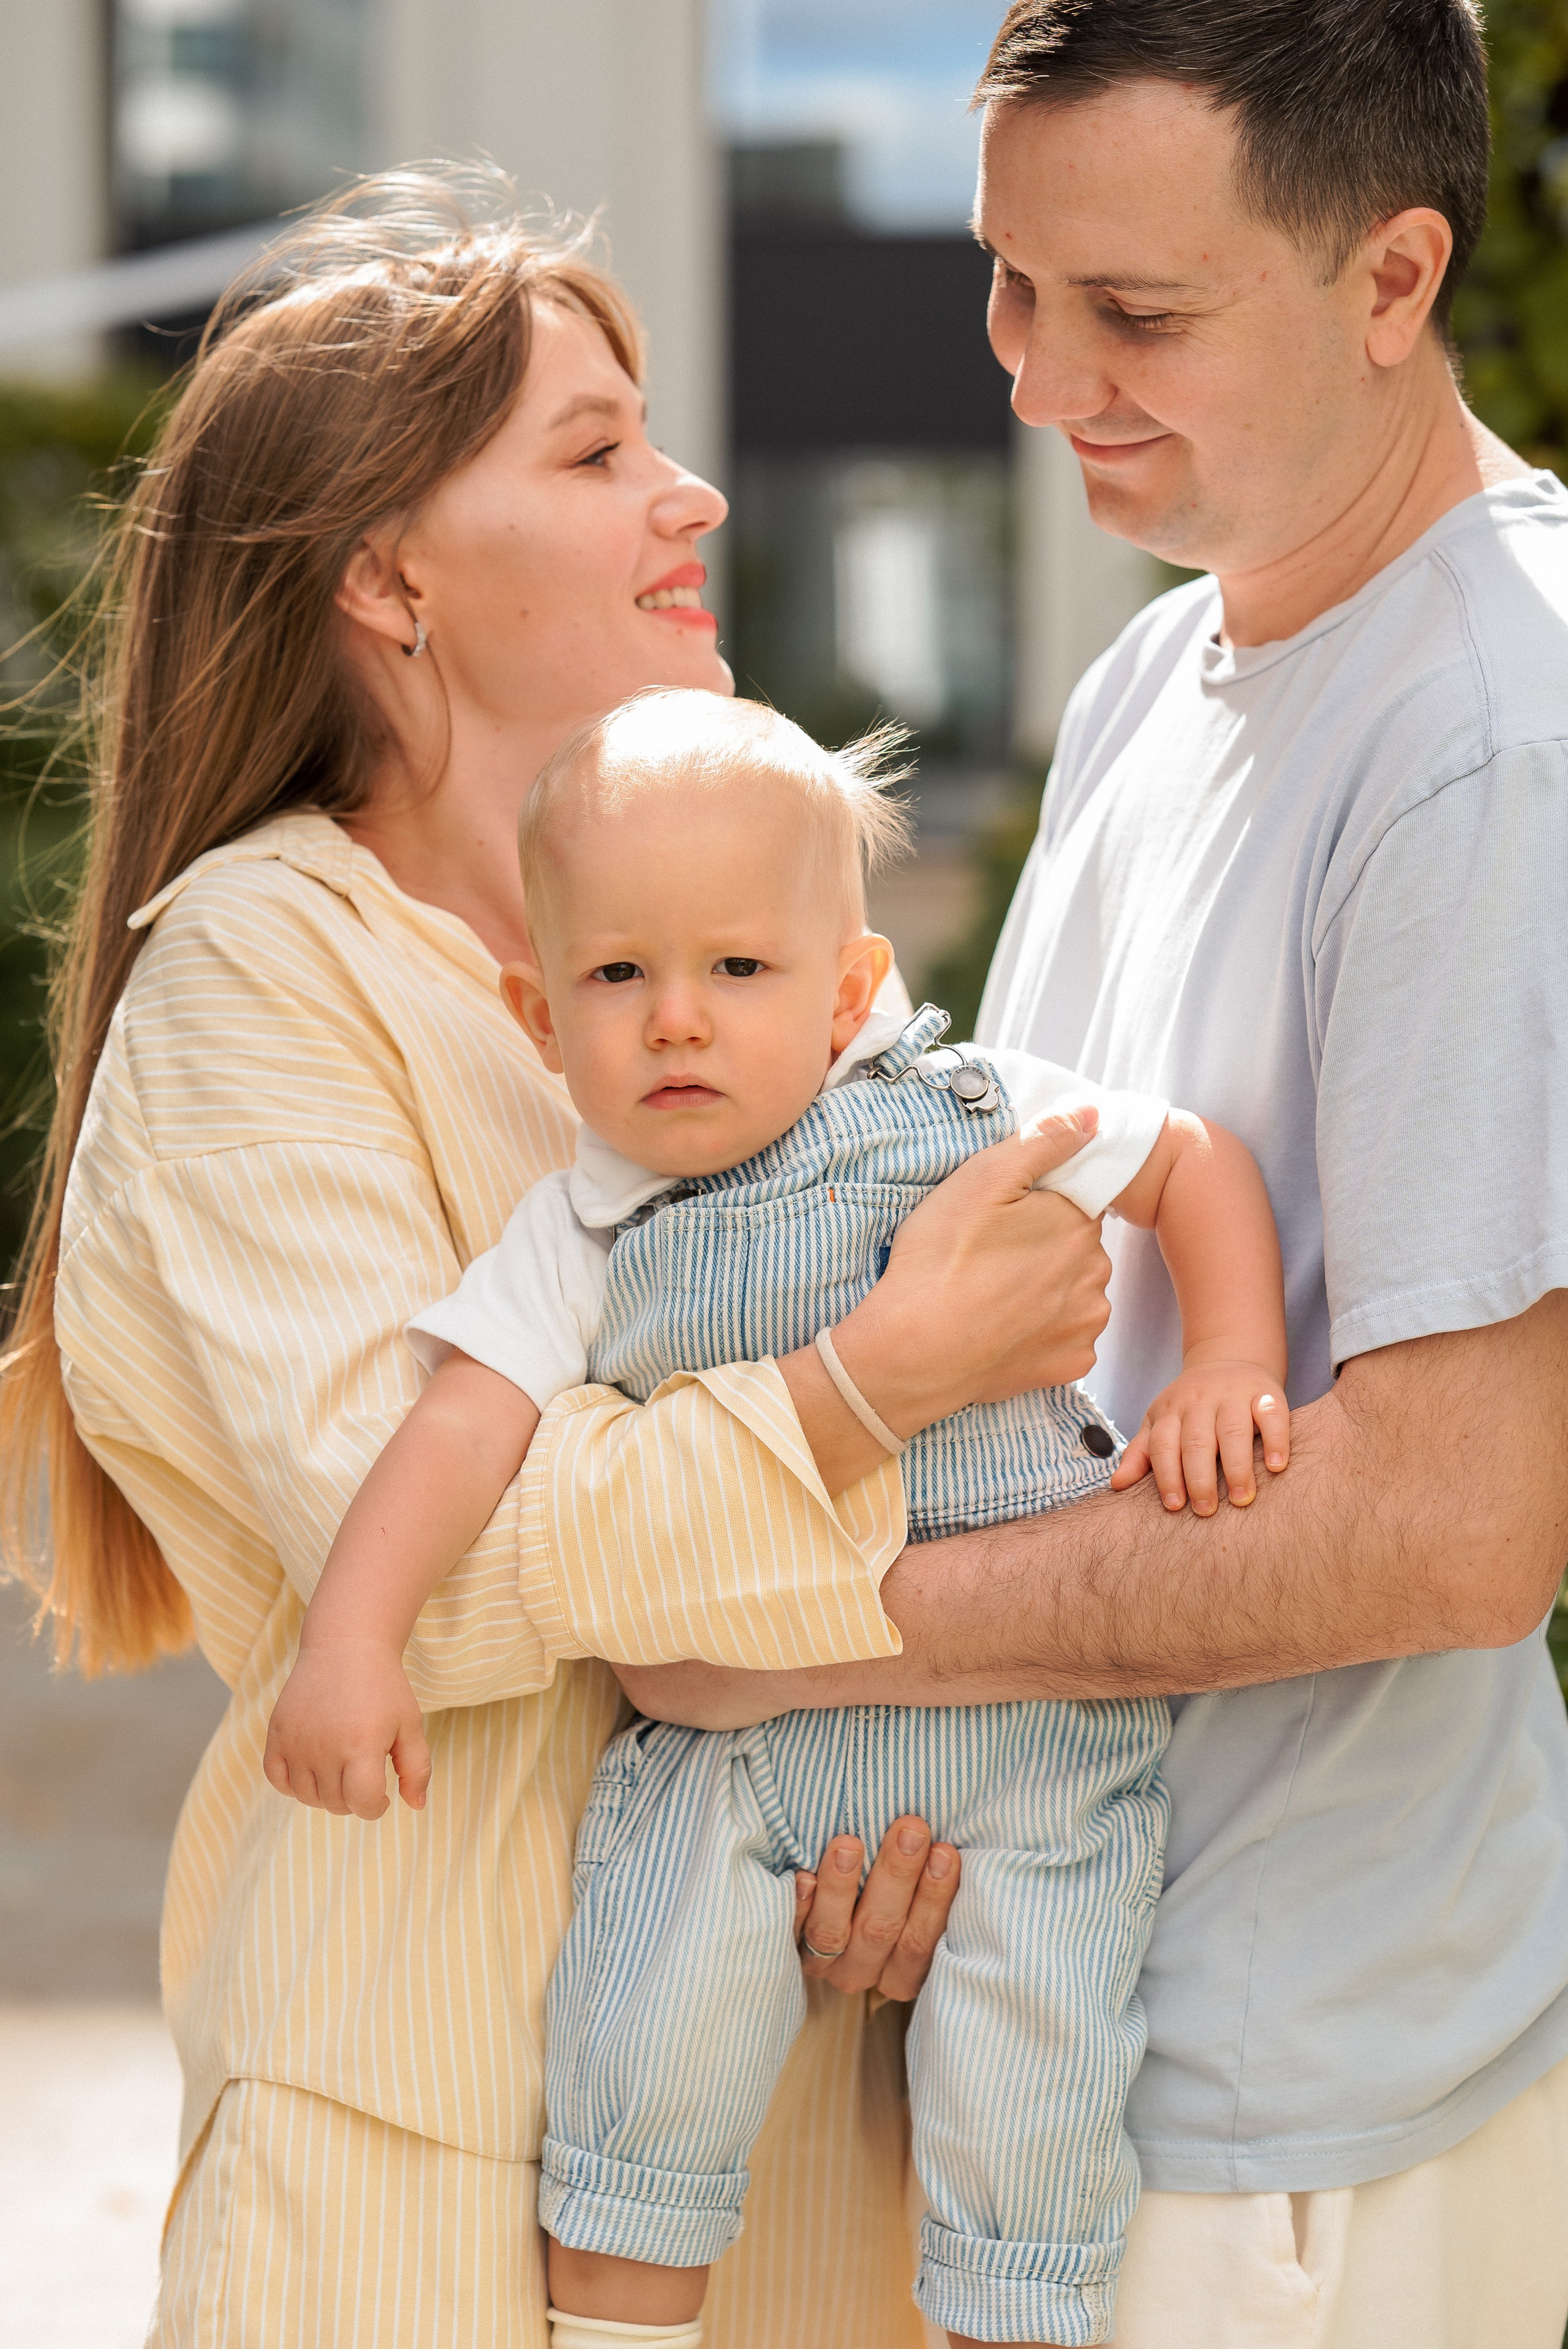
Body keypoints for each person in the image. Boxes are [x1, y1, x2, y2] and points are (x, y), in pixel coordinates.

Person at [0, 175, 1121, 2348]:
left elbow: (863, 1573)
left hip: (773, 2140)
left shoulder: (741, 984)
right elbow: (419, 1554)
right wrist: (864, 1383)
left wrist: (883, 1821)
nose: (686, 488)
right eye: (597, 450)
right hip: (409, 2157)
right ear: (388, 579)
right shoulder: (258, 972)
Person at [620, 5, 1568, 2345]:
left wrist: (784, 1635)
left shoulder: (1497, 737)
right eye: (1010, 283)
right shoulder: (1159, 680)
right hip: (1060, 2027)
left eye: (1137, 311)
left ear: (1394, 274)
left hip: (1294, 2108)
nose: (1040, 379)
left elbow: (1461, 1522)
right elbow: (1029, 1297)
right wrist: (890, 1785)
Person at [262, 687, 1291, 2348]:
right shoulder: (585, 1221)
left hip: (1033, 1743)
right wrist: (352, 1637)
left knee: (1034, 2134)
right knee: (638, 2079)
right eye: (618, 975)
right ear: (540, 1014)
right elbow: (459, 1429)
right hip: (735, 1765)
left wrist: (1229, 1356)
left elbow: (1188, 1162)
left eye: (737, 969)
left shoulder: (969, 1110)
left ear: (853, 990)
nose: (677, 1020)